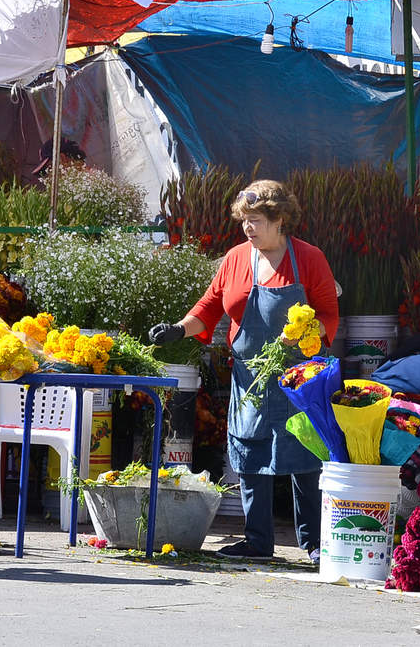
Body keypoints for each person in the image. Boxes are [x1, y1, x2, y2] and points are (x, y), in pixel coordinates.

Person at [148, 179, 339, 563]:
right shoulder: (235, 258)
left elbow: (329, 315)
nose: (248, 228)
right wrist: (178, 329)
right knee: (249, 453)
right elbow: (209, 307)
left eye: (256, 220)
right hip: (250, 376)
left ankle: (314, 543)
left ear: (280, 218)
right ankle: (257, 542)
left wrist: (307, 329)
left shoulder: (309, 258)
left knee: (303, 454)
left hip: (297, 377)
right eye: (244, 221)